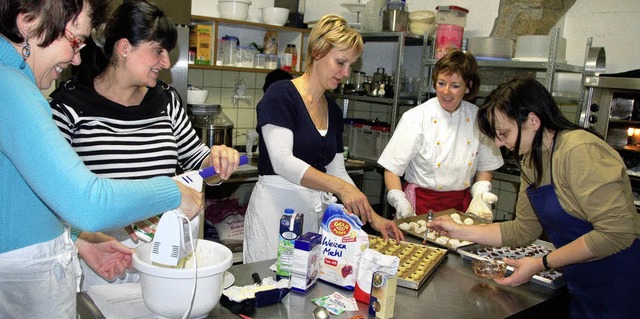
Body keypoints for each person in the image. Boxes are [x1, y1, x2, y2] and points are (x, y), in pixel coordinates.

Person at [0, 0, 214, 317]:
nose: (77, 57)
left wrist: (79, 240)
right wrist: (172, 192)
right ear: (29, 22)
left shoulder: (15, 84)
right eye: (75, 41)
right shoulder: (10, 88)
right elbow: (88, 201)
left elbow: (23, 199)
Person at [49, 0, 240, 290]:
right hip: (102, 257)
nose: (165, 62)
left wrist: (218, 160)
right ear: (124, 47)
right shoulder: (70, 106)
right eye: (158, 51)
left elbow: (197, 162)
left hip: (163, 256)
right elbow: (52, 193)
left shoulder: (165, 101)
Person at [429, 76, 640, 318]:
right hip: (582, 282)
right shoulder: (532, 160)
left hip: (621, 283)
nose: (499, 143)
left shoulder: (580, 151)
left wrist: (542, 262)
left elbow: (616, 233)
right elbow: (523, 230)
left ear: (532, 120)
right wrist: (458, 231)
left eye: (503, 133)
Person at [243, 14, 403, 263]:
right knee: (269, 288)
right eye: (341, 62)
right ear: (317, 51)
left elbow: (337, 170)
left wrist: (373, 217)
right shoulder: (281, 95)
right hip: (275, 215)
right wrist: (341, 188)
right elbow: (283, 162)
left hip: (311, 218)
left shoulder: (333, 110)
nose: (346, 73)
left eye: (351, 65)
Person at [378, 49, 504, 219]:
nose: (446, 92)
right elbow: (392, 169)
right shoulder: (416, 117)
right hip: (420, 206)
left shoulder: (479, 119)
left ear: (469, 87)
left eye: (455, 86)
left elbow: (486, 166)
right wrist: (399, 200)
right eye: (441, 83)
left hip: (460, 208)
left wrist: (481, 191)